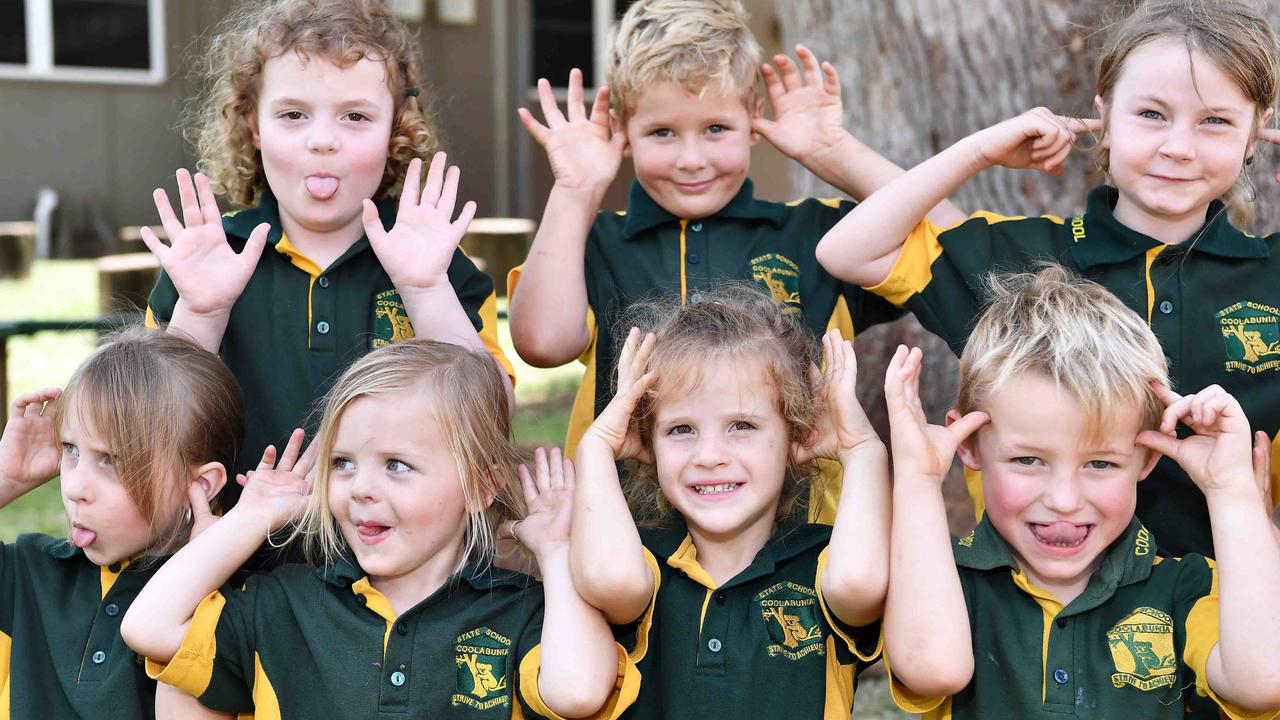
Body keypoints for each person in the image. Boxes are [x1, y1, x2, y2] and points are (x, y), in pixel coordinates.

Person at [816, 0, 1280, 557]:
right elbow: (849, 251)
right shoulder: (1023, 256)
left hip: (1219, 616)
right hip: (1023, 616)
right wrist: (981, 150)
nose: (1177, 147)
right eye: (1151, 114)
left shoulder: (1269, 272)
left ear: (1256, 136)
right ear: (1103, 117)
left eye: (1216, 121)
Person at [509, 0, 965, 520]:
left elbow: (959, 251)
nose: (691, 158)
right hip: (624, 541)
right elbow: (542, 343)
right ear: (623, 130)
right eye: (662, 133)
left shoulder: (815, 234)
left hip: (802, 546)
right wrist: (575, 191)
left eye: (715, 129)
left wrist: (834, 152)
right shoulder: (595, 241)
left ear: (752, 118)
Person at [122, 339, 638, 718]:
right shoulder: (281, 605)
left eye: (396, 465)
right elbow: (146, 626)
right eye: (343, 463)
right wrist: (252, 516)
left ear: (481, 486)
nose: (361, 488)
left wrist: (555, 552)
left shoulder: (523, 611)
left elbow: (576, 694)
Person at [141, 0, 512, 507]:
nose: (322, 141)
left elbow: (495, 419)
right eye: (293, 114)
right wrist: (200, 314)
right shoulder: (205, 260)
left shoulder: (439, 264)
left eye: (355, 117)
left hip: (394, 564)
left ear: (394, 131)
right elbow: (147, 435)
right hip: (231, 561)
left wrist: (425, 290)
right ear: (253, 126)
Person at [882, 266, 1280, 718]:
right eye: (1028, 460)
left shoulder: (1184, 588)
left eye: (1100, 463)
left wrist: (1230, 488)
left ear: (1147, 458)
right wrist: (918, 478)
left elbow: (1264, 680)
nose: (1064, 499)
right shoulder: (940, 578)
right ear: (969, 445)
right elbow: (932, 669)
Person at [570, 286, 889, 718]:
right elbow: (612, 582)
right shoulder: (639, 558)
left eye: (741, 425)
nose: (710, 456)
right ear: (647, 442)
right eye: (681, 429)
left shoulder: (825, 562)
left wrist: (863, 450)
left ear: (796, 434)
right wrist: (596, 448)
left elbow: (860, 586)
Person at [0, 329, 242, 719]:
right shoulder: (28, 574)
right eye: (71, 450)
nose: (76, 487)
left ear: (198, 484)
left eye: (113, 461)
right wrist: (6, 479)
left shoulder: (228, 611)